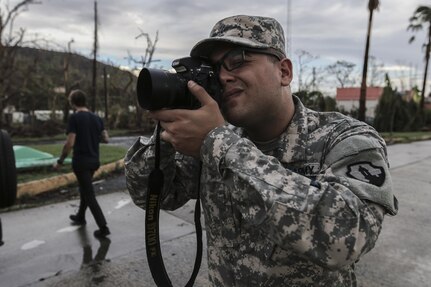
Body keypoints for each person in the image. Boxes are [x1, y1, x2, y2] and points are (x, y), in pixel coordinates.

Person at [124, 15, 398, 286]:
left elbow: (348, 235)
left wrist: (218, 145)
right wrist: (167, 135)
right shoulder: (214, 138)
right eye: (215, 69)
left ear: (284, 72)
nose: (223, 77)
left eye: (237, 61)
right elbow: (156, 195)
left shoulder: (345, 137)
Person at [54, 89, 110, 238]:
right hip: (94, 161)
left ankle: (103, 227)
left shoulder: (75, 118)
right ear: (85, 101)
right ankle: (80, 216)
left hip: (81, 162)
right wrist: (92, 138)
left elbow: (69, 143)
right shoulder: (97, 118)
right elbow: (106, 139)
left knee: (89, 194)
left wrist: (60, 161)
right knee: (85, 189)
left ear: (72, 102)